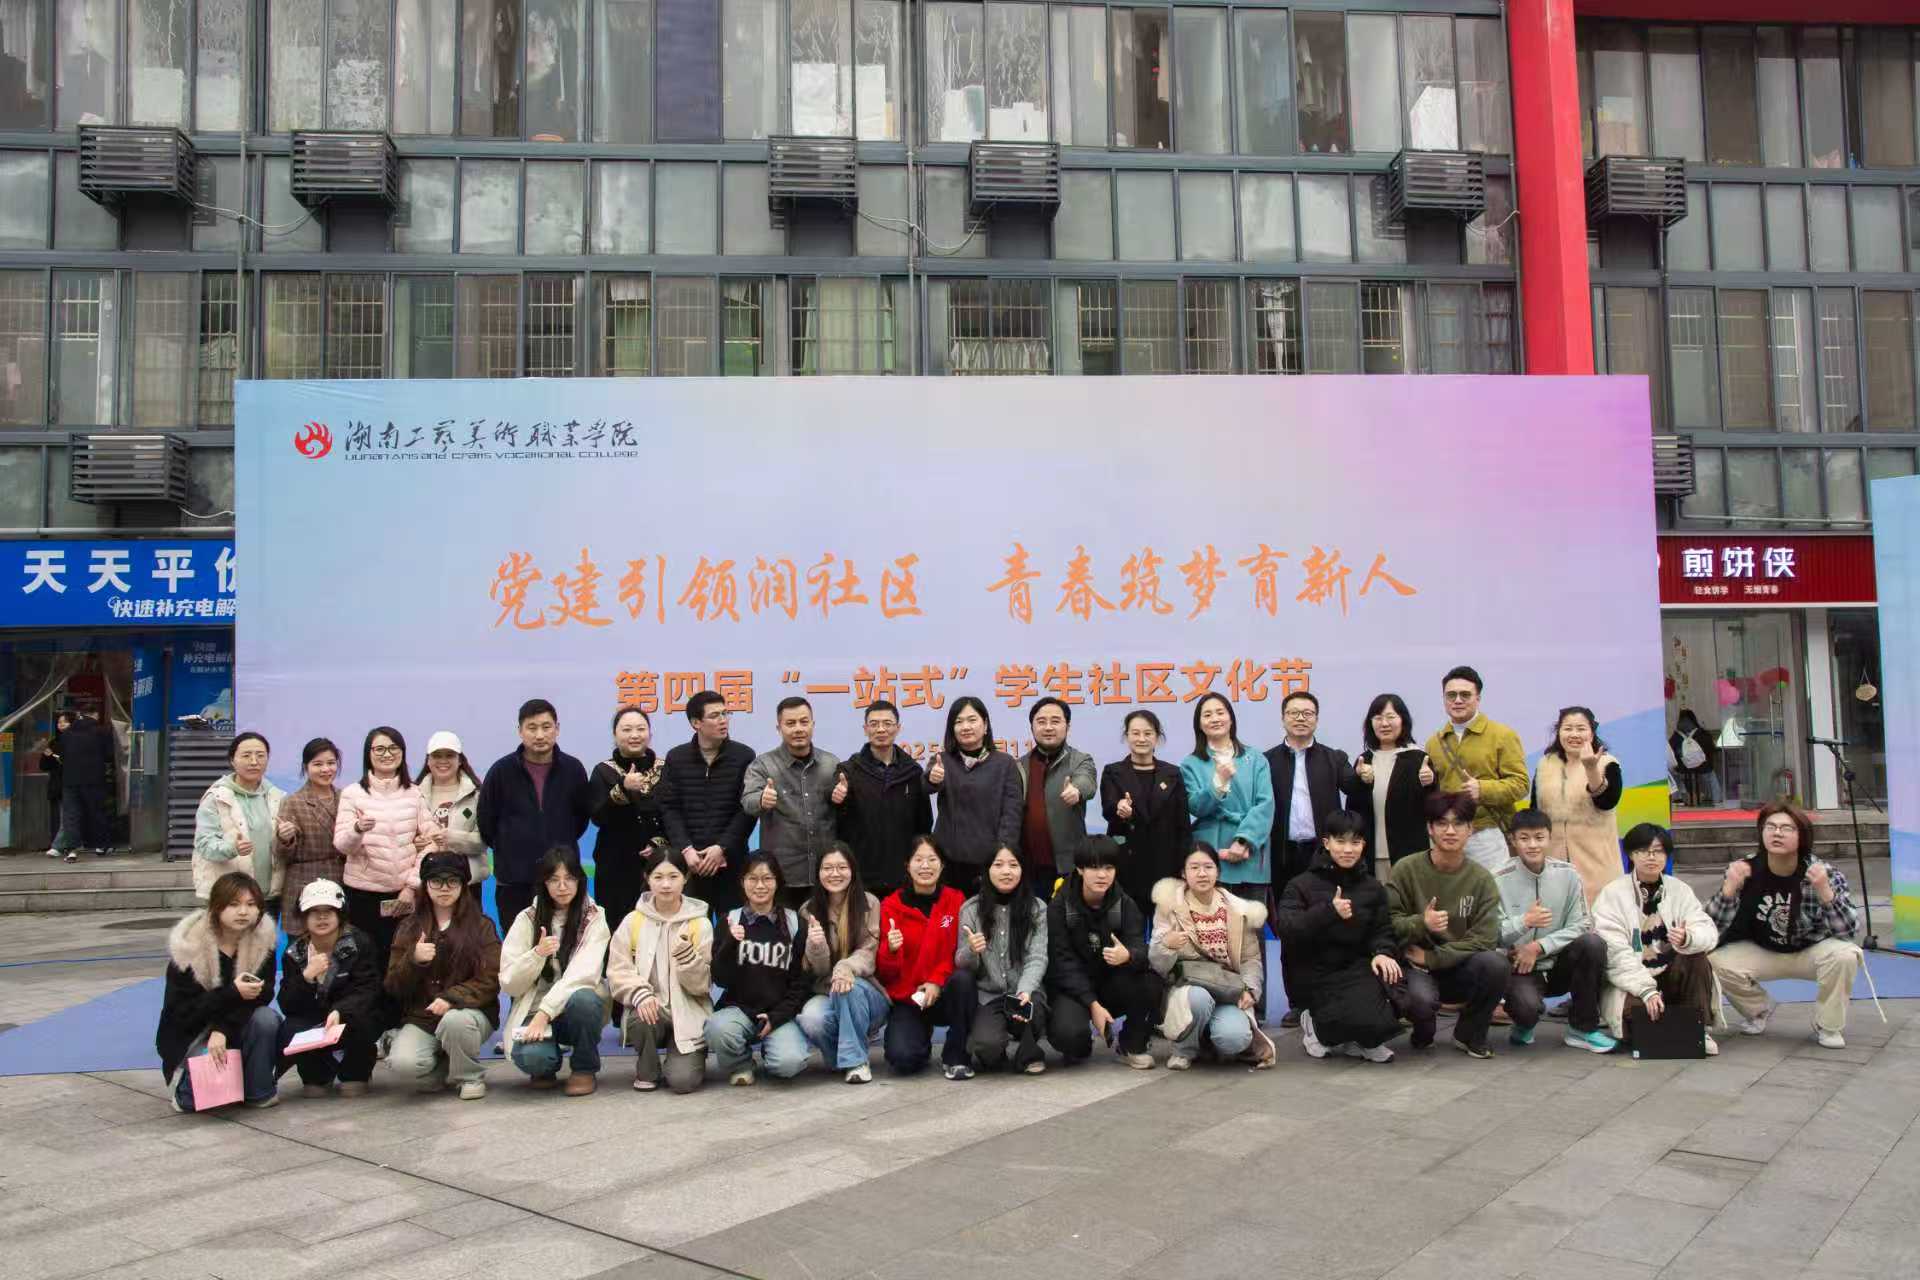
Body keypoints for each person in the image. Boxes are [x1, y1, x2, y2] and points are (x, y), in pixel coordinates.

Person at [1706, 803, 1863, 1049]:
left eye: (1786, 828)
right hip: (1763, 949)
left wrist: (1825, 891)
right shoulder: (1744, 869)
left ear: (1802, 837)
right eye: (1770, 827)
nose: (1777, 833)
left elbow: (1848, 931)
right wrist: (1728, 890)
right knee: (1712, 961)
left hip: (1810, 950)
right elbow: (1709, 928)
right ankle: (1758, 1009)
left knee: (1846, 955)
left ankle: (1828, 1025)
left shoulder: (1822, 873)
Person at [1386, 792, 1507, 1059]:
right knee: (1421, 1001)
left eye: (1458, 823)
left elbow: (1485, 939)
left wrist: (1434, 957)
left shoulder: (1481, 879)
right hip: (1415, 966)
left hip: (1457, 965)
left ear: (1470, 829)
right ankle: (1423, 1029)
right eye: (1441, 823)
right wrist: (1421, 923)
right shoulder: (1406, 869)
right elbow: (1388, 924)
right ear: (1430, 828)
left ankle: (1470, 1033)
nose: (1450, 831)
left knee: (1496, 964)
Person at [1273, 812, 1402, 1063]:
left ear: (1363, 845)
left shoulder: (1373, 887)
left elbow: (1382, 930)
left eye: (1355, 842)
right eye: (1340, 841)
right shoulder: (1300, 884)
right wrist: (1329, 912)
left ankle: (1363, 1038)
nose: (1348, 849)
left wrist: (1383, 952)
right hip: (1313, 971)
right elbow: (1287, 928)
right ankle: (1313, 1024)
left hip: (1355, 968)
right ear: (1326, 842)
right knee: (1335, 1030)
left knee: (1378, 1022)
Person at [1265, 689, 1357, 1027]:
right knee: (1291, 931)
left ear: (1317, 719)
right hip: (1284, 856)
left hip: (1322, 857)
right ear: (1283, 718)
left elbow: (1356, 788)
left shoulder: (1335, 758)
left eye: (1307, 713)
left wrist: (1364, 774)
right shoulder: (1267, 761)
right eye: (1294, 712)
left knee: (1327, 927)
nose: (1300, 718)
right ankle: (1298, 1002)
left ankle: (1329, 998)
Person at [157, 871, 282, 1112]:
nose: (243, 912)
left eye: (251, 904)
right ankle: (185, 1092)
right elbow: (184, 1011)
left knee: (266, 1019)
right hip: (192, 1029)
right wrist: (233, 993)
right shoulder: (190, 948)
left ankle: (258, 1091)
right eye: (233, 904)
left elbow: (263, 995)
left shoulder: (262, 941)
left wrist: (222, 1030)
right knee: (198, 1104)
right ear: (216, 907)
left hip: (233, 1023)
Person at [1593, 824, 1722, 1053]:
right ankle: (1676, 1030)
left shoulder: (1680, 890)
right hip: (1633, 982)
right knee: (1635, 1024)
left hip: (1671, 974)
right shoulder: (1613, 893)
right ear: (1631, 854)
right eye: (1644, 851)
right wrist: (1646, 990)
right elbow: (1614, 952)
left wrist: (1688, 938)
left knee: (1696, 956)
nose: (1651, 857)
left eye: (1658, 851)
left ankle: (1697, 1028)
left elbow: (1707, 930)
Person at [1496, 810, 1616, 1053]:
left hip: (1560, 963)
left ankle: (1582, 1028)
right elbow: (1492, 933)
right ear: (1512, 840)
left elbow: (1582, 923)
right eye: (1524, 838)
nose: (1532, 845)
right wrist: (1524, 922)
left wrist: (1539, 946)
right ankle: (1523, 1023)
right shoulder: (1497, 878)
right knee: (1527, 1009)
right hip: (1519, 967)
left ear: (1549, 838)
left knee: (1592, 944)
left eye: (1539, 837)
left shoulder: (1568, 874)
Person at [385, 853, 502, 1100]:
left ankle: (469, 1076)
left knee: (455, 1022)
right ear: (425, 885)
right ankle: (443, 1063)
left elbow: (491, 979)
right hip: (423, 1017)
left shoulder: (482, 925)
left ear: (463, 886)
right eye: (436, 881)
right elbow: (393, 986)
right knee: (404, 1064)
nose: (444, 888)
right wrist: (413, 960)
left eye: (453, 881)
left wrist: (452, 998)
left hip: (470, 1013)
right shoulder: (409, 927)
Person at [1149, 842, 1276, 1070]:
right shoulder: (1168, 906)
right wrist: (1166, 945)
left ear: (1218, 871)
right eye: (1194, 867)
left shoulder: (1238, 909)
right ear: (1183, 873)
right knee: (1198, 999)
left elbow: (1250, 959)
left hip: (1227, 990)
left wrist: (1250, 988)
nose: (1202, 873)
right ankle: (1184, 1050)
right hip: (1187, 989)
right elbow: (1157, 966)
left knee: (1234, 1039)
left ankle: (1208, 1040)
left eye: (1208, 867)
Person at [501, 848, 612, 1096]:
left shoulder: (595, 917)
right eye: (554, 879)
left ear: (579, 880)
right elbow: (509, 983)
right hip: (534, 1011)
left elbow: (582, 974)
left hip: (572, 1011)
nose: (562, 887)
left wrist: (546, 1013)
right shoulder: (527, 919)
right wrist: (536, 955)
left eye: (569, 878)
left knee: (585, 999)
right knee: (533, 1058)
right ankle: (545, 1066)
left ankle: (584, 1069)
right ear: (544, 883)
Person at [1045, 838, 1161, 1070]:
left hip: (1111, 985)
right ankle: (1079, 1043)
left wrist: (1128, 955)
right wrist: (1092, 1004)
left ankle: (1131, 1045)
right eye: (1094, 867)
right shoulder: (1059, 907)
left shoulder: (1125, 904)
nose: (1102, 875)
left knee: (1151, 983)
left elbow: (1141, 948)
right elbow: (1062, 964)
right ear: (1080, 869)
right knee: (1069, 1036)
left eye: (1109, 868)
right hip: (1073, 990)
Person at [478, 698, 592, 931]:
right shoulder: (501, 771)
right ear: (520, 731)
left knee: (564, 943)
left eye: (546, 727)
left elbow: (580, 819)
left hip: (562, 880)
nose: (540, 735)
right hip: (514, 881)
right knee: (518, 945)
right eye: (532, 728)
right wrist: (510, 849)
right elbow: (486, 822)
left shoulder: (573, 769)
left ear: (557, 729)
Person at [608, 843, 714, 1093]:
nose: (666, 885)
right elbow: (617, 970)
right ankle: (648, 1068)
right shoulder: (633, 921)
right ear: (647, 879)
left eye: (673, 877)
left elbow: (703, 986)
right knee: (639, 1017)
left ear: (685, 878)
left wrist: (688, 961)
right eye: (658, 877)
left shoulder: (700, 924)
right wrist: (641, 993)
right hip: (651, 1011)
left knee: (683, 1082)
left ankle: (687, 1057)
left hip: (689, 1012)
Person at [705, 852, 813, 1085]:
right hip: (739, 1010)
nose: (760, 886)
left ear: (778, 882)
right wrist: (730, 943)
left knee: (788, 1064)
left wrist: (777, 1017)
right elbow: (720, 978)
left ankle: (772, 1049)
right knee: (717, 1028)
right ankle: (742, 1064)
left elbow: (802, 983)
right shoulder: (730, 920)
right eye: (752, 878)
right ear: (742, 882)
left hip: (780, 1013)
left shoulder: (795, 923)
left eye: (767, 878)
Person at [875, 835, 974, 1078]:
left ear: (942, 865)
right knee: (903, 1059)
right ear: (907, 865)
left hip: (945, 992)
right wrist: (891, 950)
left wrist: (937, 981)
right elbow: (886, 973)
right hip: (909, 998)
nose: (925, 866)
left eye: (932, 859)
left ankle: (956, 1055)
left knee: (964, 979)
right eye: (918, 860)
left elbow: (956, 951)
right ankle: (920, 1038)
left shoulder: (955, 900)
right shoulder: (890, 906)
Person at [336, 727, 437, 966]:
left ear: (402, 752)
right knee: (365, 963)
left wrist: (411, 886)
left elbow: (432, 842)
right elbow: (342, 845)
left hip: (404, 895)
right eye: (379, 749)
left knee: (402, 961)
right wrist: (357, 829)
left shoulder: (414, 793)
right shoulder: (352, 794)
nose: (387, 754)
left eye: (393, 748)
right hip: (362, 895)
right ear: (368, 753)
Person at [275, 878, 382, 1096]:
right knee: (292, 1027)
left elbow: (368, 988)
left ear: (340, 913)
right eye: (314, 912)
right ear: (303, 917)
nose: (321, 917)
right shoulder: (294, 952)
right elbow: (287, 1004)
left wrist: (340, 1010)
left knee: (366, 1017)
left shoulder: (360, 943)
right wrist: (306, 977)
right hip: (315, 1018)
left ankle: (356, 1072)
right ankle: (317, 1073)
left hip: (349, 1017)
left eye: (328, 911)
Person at [796, 842, 890, 1083]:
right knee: (811, 1019)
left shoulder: (870, 903)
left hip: (865, 992)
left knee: (847, 988)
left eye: (841, 867)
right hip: (825, 990)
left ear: (852, 870)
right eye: (827, 868)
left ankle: (856, 1062)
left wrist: (845, 968)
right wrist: (816, 946)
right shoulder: (808, 910)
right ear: (818, 873)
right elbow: (818, 971)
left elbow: (868, 952)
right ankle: (842, 1059)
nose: (834, 873)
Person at [661, 690, 758, 920]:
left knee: (732, 931)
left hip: (731, 862)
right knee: (690, 932)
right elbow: (669, 808)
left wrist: (722, 847)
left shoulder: (744, 756)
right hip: (690, 864)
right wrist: (686, 849)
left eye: (725, 714)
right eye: (715, 716)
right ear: (696, 723)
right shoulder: (676, 758)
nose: (723, 720)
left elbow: (747, 809)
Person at [1423, 666, 1528, 873]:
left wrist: (1483, 789)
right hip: (1447, 835)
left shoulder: (1502, 735)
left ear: (1478, 698)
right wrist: (1426, 783)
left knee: (1492, 891)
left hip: (1488, 834)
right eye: (1451, 695)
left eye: (1465, 695)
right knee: (1452, 891)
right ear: (1444, 699)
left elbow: (1521, 784)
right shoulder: (1434, 742)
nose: (1457, 700)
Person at [956, 847, 1050, 1074]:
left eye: (1013, 865)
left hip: (1026, 991)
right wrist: (971, 951)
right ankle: (997, 1053)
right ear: (987, 870)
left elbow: (1038, 956)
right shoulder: (970, 909)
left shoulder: (1037, 908)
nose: (1006, 871)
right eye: (998, 865)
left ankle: (1029, 1052)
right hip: (989, 995)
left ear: (1022, 870)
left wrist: (1025, 990)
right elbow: (961, 962)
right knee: (986, 1047)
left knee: (1034, 1010)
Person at [1178, 692, 1276, 908]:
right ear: (1199, 725)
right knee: (1210, 923)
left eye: (1220, 713)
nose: (1215, 719)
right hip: (1210, 854)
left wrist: (1243, 840)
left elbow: (1265, 804)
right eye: (1207, 715)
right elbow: (1195, 806)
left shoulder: (1255, 758)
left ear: (1231, 719)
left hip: (1250, 853)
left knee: (1251, 923)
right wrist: (1218, 782)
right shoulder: (1190, 764)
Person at [834, 700, 934, 899]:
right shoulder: (848, 771)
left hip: (903, 875)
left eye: (887, 724)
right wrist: (838, 800)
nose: (881, 729)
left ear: (898, 728)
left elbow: (924, 824)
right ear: (865, 729)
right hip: (861, 875)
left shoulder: (912, 772)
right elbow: (839, 825)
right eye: (874, 724)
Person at [742, 697, 840, 900]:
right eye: (790, 723)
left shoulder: (831, 763)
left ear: (812, 724)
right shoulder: (763, 765)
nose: (798, 729)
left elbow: (843, 810)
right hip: (783, 874)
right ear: (779, 728)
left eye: (804, 722)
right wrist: (761, 799)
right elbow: (748, 802)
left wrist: (843, 797)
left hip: (826, 874)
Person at [928, 696, 1023, 896]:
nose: (966, 727)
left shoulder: (1005, 763)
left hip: (989, 863)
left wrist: (1002, 857)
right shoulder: (942, 760)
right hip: (948, 863)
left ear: (985, 725)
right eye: (959, 721)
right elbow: (926, 785)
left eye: (972, 720)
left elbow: (1012, 814)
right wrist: (932, 778)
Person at [1099, 709, 1193, 911]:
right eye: (1135, 733)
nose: (1141, 739)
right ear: (1127, 736)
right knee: (1129, 924)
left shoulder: (1173, 774)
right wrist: (1120, 809)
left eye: (1148, 733)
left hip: (1166, 864)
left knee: (1166, 927)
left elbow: (1183, 825)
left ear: (1157, 737)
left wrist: (1185, 864)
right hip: (1128, 865)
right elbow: (1108, 808)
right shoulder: (1113, 772)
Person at [1530, 707, 1625, 903]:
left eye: (1581, 729)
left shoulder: (1607, 763)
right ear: (1558, 732)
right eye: (1568, 729)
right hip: (1553, 865)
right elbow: (1534, 810)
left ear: (1592, 732)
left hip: (1597, 863)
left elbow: (1607, 802)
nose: (1574, 734)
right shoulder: (1544, 764)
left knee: (1598, 915)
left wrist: (1591, 769)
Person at [589, 707, 669, 925]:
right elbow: (597, 816)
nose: (634, 735)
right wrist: (622, 788)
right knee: (617, 926)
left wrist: (658, 842)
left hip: (660, 864)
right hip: (615, 864)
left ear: (650, 734)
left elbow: (674, 813)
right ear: (615, 735)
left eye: (640, 729)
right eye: (626, 730)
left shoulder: (666, 768)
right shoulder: (603, 771)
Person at [192, 732, 286, 911]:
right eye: (246, 755)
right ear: (232, 760)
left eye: (260, 755)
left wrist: (287, 837)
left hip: (269, 895)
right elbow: (204, 843)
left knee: (267, 930)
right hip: (230, 895)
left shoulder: (277, 796)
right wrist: (232, 848)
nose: (254, 761)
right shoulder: (216, 797)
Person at [1015, 697, 1098, 900]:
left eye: (1055, 721)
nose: (1048, 727)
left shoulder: (1080, 760)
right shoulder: (1020, 765)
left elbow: (1087, 781)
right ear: (1032, 727)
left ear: (1067, 726)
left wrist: (1076, 790)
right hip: (1028, 868)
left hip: (1068, 867)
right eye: (1041, 721)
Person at [1347, 693, 1436, 868]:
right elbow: (1353, 810)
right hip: (1369, 853)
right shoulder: (1364, 760)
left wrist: (1429, 783)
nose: (1384, 723)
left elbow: (1432, 807)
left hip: (1410, 854)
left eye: (1390, 717)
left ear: (1403, 720)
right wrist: (1359, 782)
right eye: (1378, 718)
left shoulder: (1418, 759)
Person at [273, 738, 344, 938]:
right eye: (318, 764)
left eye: (331, 763)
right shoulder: (293, 802)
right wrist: (285, 838)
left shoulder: (347, 797)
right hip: (303, 883)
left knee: (340, 943)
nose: (326, 769)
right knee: (300, 944)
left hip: (340, 880)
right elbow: (282, 854)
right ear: (306, 767)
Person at [418, 731, 488, 902]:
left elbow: (484, 841)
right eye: (437, 756)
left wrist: (452, 838)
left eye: (449, 755)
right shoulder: (413, 794)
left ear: (460, 760)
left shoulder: (477, 796)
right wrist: (415, 843)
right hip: (425, 883)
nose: (443, 761)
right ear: (428, 760)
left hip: (467, 883)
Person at [47, 706, 113, 860]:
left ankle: (72, 849)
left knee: (71, 815)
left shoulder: (67, 734)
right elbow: (109, 755)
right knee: (96, 811)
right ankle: (101, 846)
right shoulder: (101, 731)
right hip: (94, 779)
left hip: (70, 780)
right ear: (95, 715)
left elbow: (62, 756)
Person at [1669, 709, 1720, 807]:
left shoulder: (1676, 736)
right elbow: (1711, 750)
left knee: (1674, 774)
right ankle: (1716, 799)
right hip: (1703, 767)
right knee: (1711, 775)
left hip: (1683, 768)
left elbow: (1671, 752)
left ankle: (1679, 798)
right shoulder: (1703, 734)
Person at [37, 709, 71, 858]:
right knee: (62, 817)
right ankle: (65, 845)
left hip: (70, 783)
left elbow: (69, 763)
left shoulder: (73, 741)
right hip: (57, 784)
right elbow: (44, 766)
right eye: (59, 722)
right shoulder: (54, 742)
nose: (61, 724)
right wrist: (47, 756)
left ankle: (58, 846)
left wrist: (54, 756)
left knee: (66, 817)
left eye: (65, 722)